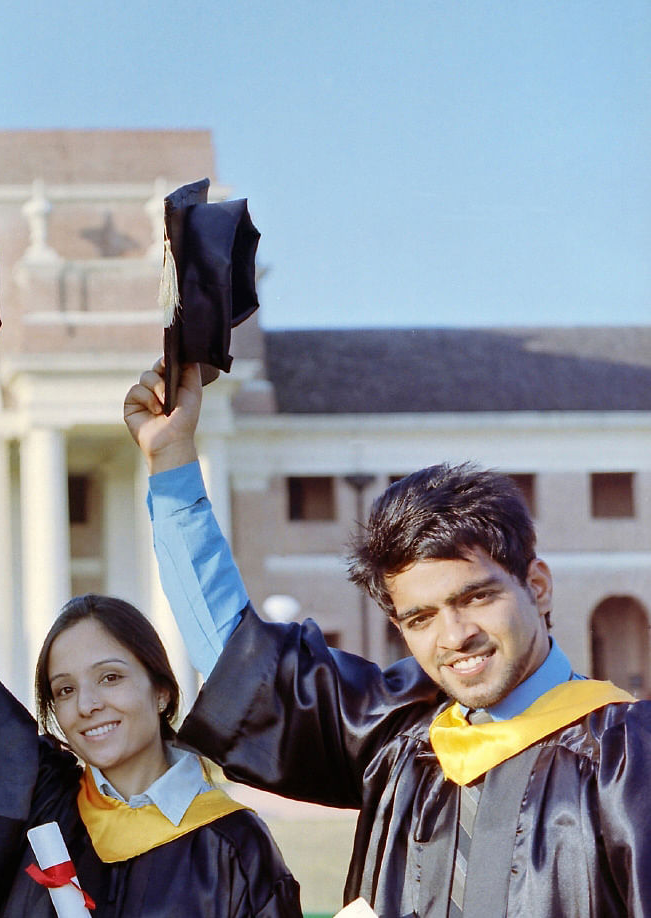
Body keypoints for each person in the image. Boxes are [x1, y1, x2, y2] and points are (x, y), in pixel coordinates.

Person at [124, 362, 651, 917]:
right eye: (421, 618)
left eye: (476, 597)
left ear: (537, 587)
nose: (456, 635)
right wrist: (172, 461)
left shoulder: (627, 758)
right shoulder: (398, 738)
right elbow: (240, 663)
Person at [0, 398, 300, 917]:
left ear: (160, 690)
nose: (87, 704)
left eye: (109, 678)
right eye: (64, 690)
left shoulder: (234, 845)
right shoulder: (43, 807)